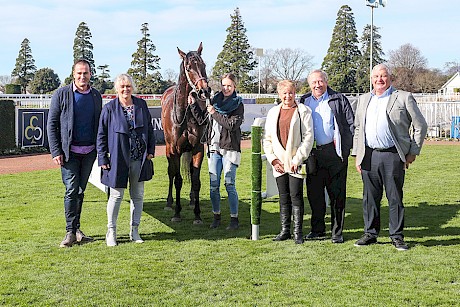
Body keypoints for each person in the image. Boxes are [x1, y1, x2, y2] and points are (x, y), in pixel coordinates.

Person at [352, 63, 428, 251]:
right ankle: (370, 233)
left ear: (390, 78)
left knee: (394, 197)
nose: (379, 80)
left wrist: (413, 152)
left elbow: (420, 125)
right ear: (371, 79)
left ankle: (396, 236)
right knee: (370, 198)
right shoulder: (363, 100)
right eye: (376, 76)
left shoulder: (403, 98)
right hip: (368, 155)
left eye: (383, 76)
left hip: (393, 155)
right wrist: (357, 154)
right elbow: (358, 128)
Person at [47, 59, 102, 248]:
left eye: (85, 73)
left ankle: (77, 230)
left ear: (90, 74)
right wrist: (56, 151)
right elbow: (51, 124)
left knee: (80, 190)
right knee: (71, 190)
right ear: (73, 74)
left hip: (89, 153)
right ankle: (70, 232)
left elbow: (99, 126)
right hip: (68, 154)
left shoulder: (96, 96)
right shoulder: (61, 94)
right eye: (79, 73)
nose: (82, 76)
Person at [97, 74, 155, 247]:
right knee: (116, 196)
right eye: (122, 86)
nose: (125, 89)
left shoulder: (141, 105)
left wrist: (150, 151)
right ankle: (111, 231)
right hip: (117, 159)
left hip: (139, 158)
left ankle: (134, 230)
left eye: (128, 86)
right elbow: (101, 134)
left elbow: (150, 130)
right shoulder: (109, 109)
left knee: (137, 195)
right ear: (117, 88)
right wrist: (102, 158)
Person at [299, 69, 355, 244]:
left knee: (337, 194)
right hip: (313, 154)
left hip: (334, 153)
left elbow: (350, 125)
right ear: (309, 84)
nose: (318, 85)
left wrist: (345, 151)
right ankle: (317, 230)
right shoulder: (304, 101)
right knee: (314, 195)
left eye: (320, 81)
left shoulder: (339, 99)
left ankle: (337, 232)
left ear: (326, 81)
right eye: (314, 82)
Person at [188, 73, 244, 230]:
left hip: (230, 149)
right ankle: (216, 216)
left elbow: (231, 125)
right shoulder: (215, 101)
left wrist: (215, 113)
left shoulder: (238, 104)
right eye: (224, 85)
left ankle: (234, 219)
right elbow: (202, 120)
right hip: (214, 149)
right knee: (213, 185)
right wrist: (193, 104)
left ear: (234, 87)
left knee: (229, 184)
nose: (226, 88)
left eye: (229, 86)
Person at [263, 80, 314, 244]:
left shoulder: (303, 111)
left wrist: (297, 158)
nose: (288, 96)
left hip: (295, 163)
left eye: (291, 93)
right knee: (283, 197)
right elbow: (268, 139)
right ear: (279, 94)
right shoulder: (272, 113)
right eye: (284, 93)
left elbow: (308, 138)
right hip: (279, 163)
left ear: (295, 93)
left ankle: (298, 232)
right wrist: (273, 159)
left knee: (296, 196)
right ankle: (285, 230)